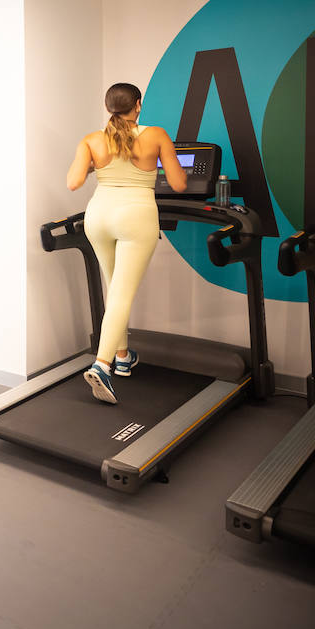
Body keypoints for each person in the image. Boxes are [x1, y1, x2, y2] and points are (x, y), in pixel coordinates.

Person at [66, 83, 187, 404]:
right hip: (137, 217)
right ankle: (102, 365)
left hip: (98, 216)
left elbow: (73, 182)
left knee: (113, 288)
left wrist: (97, 164)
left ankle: (122, 356)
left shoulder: (91, 140)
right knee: (121, 294)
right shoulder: (157, 135)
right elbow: (178, 183)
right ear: (138, 105)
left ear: (109, 107)